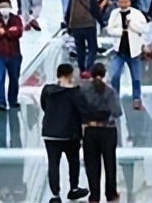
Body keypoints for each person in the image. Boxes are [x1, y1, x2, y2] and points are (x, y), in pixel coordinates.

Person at [41, 62, 89, 203]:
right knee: (73, 162)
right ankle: (73, 189)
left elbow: (44, 106)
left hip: (50, 132)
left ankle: (55, 195)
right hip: (70, 134)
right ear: (70, 75)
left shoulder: (47, 90)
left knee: (53, 164)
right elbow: (83, 113)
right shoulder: (75, 93)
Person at [78, 62, 121, 203]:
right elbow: (116, 111)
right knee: (110, 163)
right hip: (108, 130)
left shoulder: (83, 90)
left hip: (90, 131)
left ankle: (94, 195)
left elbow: (79, 110)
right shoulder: (110, 91)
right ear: (104, 75)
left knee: (92, 164)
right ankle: (111, 193)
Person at [107, 0, 148, 109]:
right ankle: (115, 97)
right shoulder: (114, 14)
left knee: (136, 77)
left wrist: (132, 25)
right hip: (119, 50)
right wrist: (122, 31)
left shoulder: (137, 14)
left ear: (129, 2)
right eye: (121, 1)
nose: (123, 4)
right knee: (115, 75)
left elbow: (144, 29)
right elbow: (109, 29)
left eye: (125, 1)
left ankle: (136, 98)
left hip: (133, 51)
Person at [0, 0, 24, 111]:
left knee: (14, 78)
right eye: (2, 7)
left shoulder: (16, 19)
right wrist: (8, 32)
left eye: (6, 6)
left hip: (14, 55)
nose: (4, 9)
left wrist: (4, 32)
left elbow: (18, 32)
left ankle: (13, 100)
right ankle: (0, 102)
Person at [66, 0, 103, 76]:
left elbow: (68, 12)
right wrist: (102, 23)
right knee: (92, 48)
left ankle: (82, 69)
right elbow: (95, 10)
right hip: (89, 25)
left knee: (80, 48)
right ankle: (89, 68)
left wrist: (67, 25)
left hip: (76, 26)